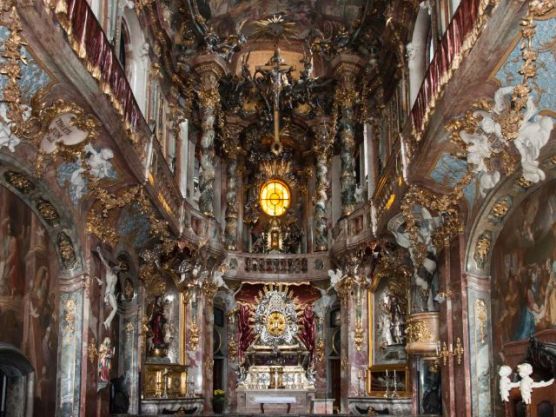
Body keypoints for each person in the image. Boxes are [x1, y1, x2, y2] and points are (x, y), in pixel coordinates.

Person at [96, 247, 120, 330]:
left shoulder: (115, 276)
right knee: (115, 308)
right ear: (114, 269)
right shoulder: (109, 271)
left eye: (118, 271)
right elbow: (104, 262)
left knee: (115, 308)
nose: (117, 272)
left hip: (112, 293)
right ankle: (107, 321)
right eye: (116, 270)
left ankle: (107, 321)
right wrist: (99, 252)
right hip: (109, 292)